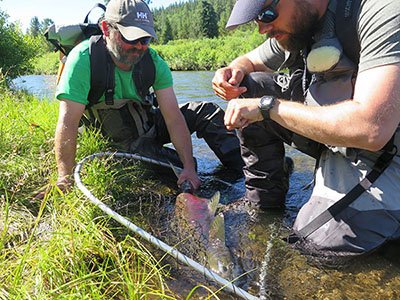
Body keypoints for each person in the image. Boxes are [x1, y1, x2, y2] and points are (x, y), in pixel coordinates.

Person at [212, 0, 400, 258]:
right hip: (340, 138)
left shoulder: (382, 10)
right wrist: (234, 70)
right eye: (256, 19)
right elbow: (249, 61)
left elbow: (372, 129)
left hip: (386, 151)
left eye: (266, 14)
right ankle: (262, 202)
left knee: (317, 243)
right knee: (250, 86)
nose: (262, 28)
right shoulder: (302, 23)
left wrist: (269, 108)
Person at [39, 0, 243, 198]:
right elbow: (68, 123)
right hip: (119, 142)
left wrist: (189, 166)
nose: (139, 46)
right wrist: (64, 178)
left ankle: (244, 177)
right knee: (177, 170)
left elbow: (173, 118)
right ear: (106, 29)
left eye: (145, 39)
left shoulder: (153, 62)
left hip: (148, 123)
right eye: (130, 38)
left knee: (206, 111)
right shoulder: (83, 60)